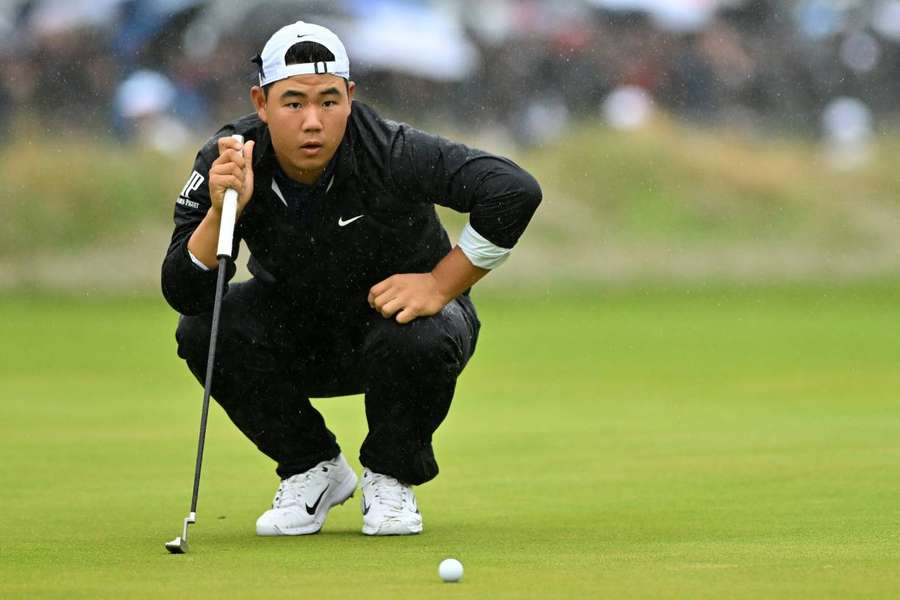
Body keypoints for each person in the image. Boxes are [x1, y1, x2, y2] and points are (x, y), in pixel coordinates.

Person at [161, 21, 541, 537]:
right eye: (293, 103)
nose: (313, 122)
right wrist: (220, 213)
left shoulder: (392, 150)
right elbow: (184, 292)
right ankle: (313, 467)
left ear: (351, 97)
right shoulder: (231, 158)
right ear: (261, 103)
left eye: (329, 101)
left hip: (401, 333)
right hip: (300, 335)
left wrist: (440, 284)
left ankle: (390, 474)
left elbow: (513, 190)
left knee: (421, 333)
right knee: (202, 330)